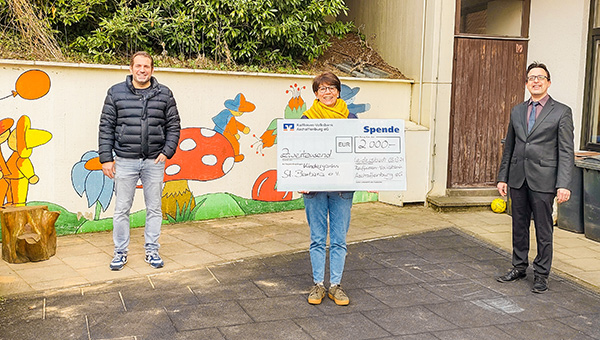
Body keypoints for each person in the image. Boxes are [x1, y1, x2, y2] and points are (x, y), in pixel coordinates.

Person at [496, 61, 574, 293]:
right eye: (531, 78)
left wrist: (564, 184)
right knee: (518, 226)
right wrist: (503, 177)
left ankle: (541, 274)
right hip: (518, 178)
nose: (536, 81)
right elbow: (509, 146)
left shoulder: (561, 111)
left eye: (540, 77)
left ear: (548, 82)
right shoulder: (517, 110)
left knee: (543, 229)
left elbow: (566, 151)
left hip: (545, 180)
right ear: (527, 83)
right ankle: (519, 267)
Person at [99, 51, 181, 271]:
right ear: (131, 68)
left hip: (154, 162)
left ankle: (152, 250)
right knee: (121, 209)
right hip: (125, 160)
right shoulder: (115, 93)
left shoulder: (164, 94)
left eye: (146, 66)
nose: (142, 70)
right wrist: (106, 158)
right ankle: (120, 253)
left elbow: (173, 126)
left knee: (154, 208)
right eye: (138, 66)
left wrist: (167, 151)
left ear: (152, 70)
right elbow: (106, 126)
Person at [301, 72, 357, 306]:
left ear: (338, 91)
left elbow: (359, 152)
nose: (327, 92)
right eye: (322, 89)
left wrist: (373, 177)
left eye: (332, 88)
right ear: (316, 94)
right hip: (314, 188)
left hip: (342, 188)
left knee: (338, 239)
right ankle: (318, 285)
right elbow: (298, 152)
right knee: (316, 238)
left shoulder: (351, 119)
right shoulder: (306, 119)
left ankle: (335, 285)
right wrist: (299, 178)